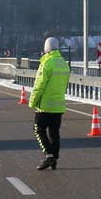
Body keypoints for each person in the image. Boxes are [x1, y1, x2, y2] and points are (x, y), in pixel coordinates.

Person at [30, 37, 70, 170]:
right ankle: (54, 157)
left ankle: (49, 156)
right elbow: (65, 85)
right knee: (54, 133)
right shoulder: (64, 63)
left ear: (46, 48)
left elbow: (39, 85)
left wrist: (33, 101)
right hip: (58, 105)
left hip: (45, 106)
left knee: (38, 130)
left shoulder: (46, 63)